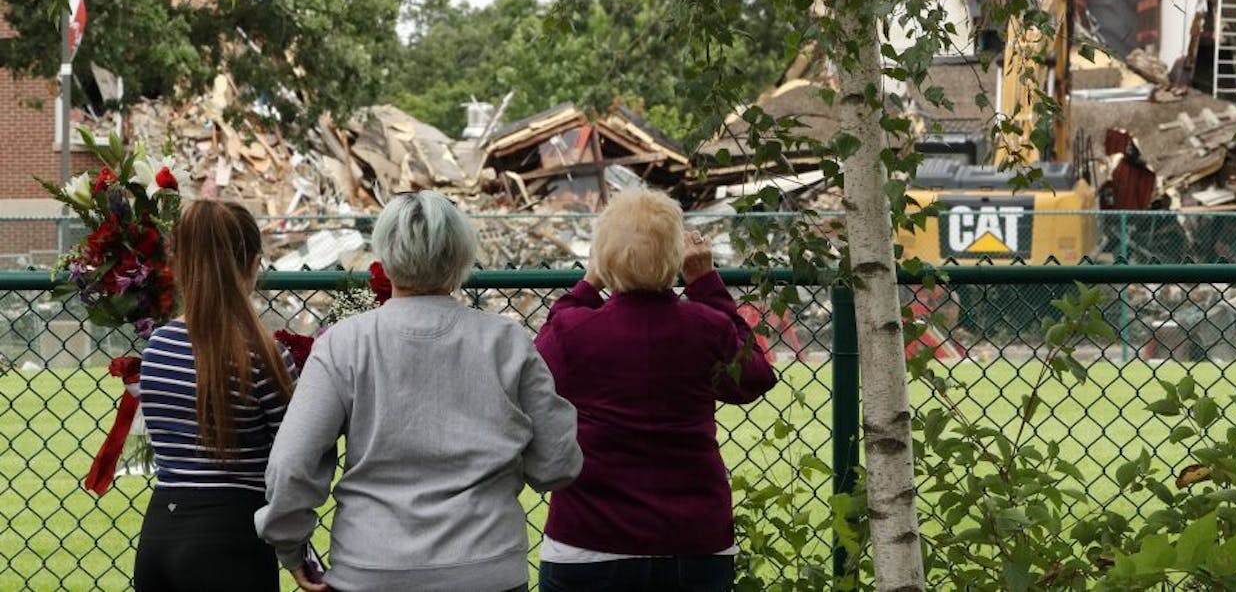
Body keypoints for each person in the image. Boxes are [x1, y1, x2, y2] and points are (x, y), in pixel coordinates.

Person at [255, 190, 583, 592]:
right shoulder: (506, 342)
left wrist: (291, 545)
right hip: (485, 567)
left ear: (384, 255)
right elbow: (558, 464)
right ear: (462, 256)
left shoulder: (345, 343)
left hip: (372, 567)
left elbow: (291, 463)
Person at [535, 188, 779, 592]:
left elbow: (536, 368)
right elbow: (754, 376)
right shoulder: (706, 327)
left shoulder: (574, 331)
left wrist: (588, 284)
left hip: (591, 539)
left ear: (603, 256)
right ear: (676, 256)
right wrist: (706, 286)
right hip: (693, 539)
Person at [134, 200, 296, 592]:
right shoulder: (262, 354)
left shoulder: (157, 346)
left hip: (159, 535)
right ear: (254, 263)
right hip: (231, 540)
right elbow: (292, 453)